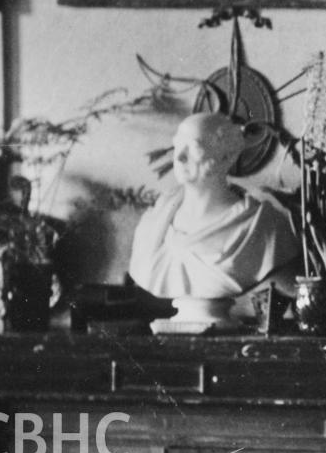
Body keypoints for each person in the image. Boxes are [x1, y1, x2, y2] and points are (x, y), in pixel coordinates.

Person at [128, 113, 299, 324]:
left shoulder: (261, 226)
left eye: (193, 147)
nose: (180, 157)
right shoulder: (151, 225)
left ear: (227, 157)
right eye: (178, 146)